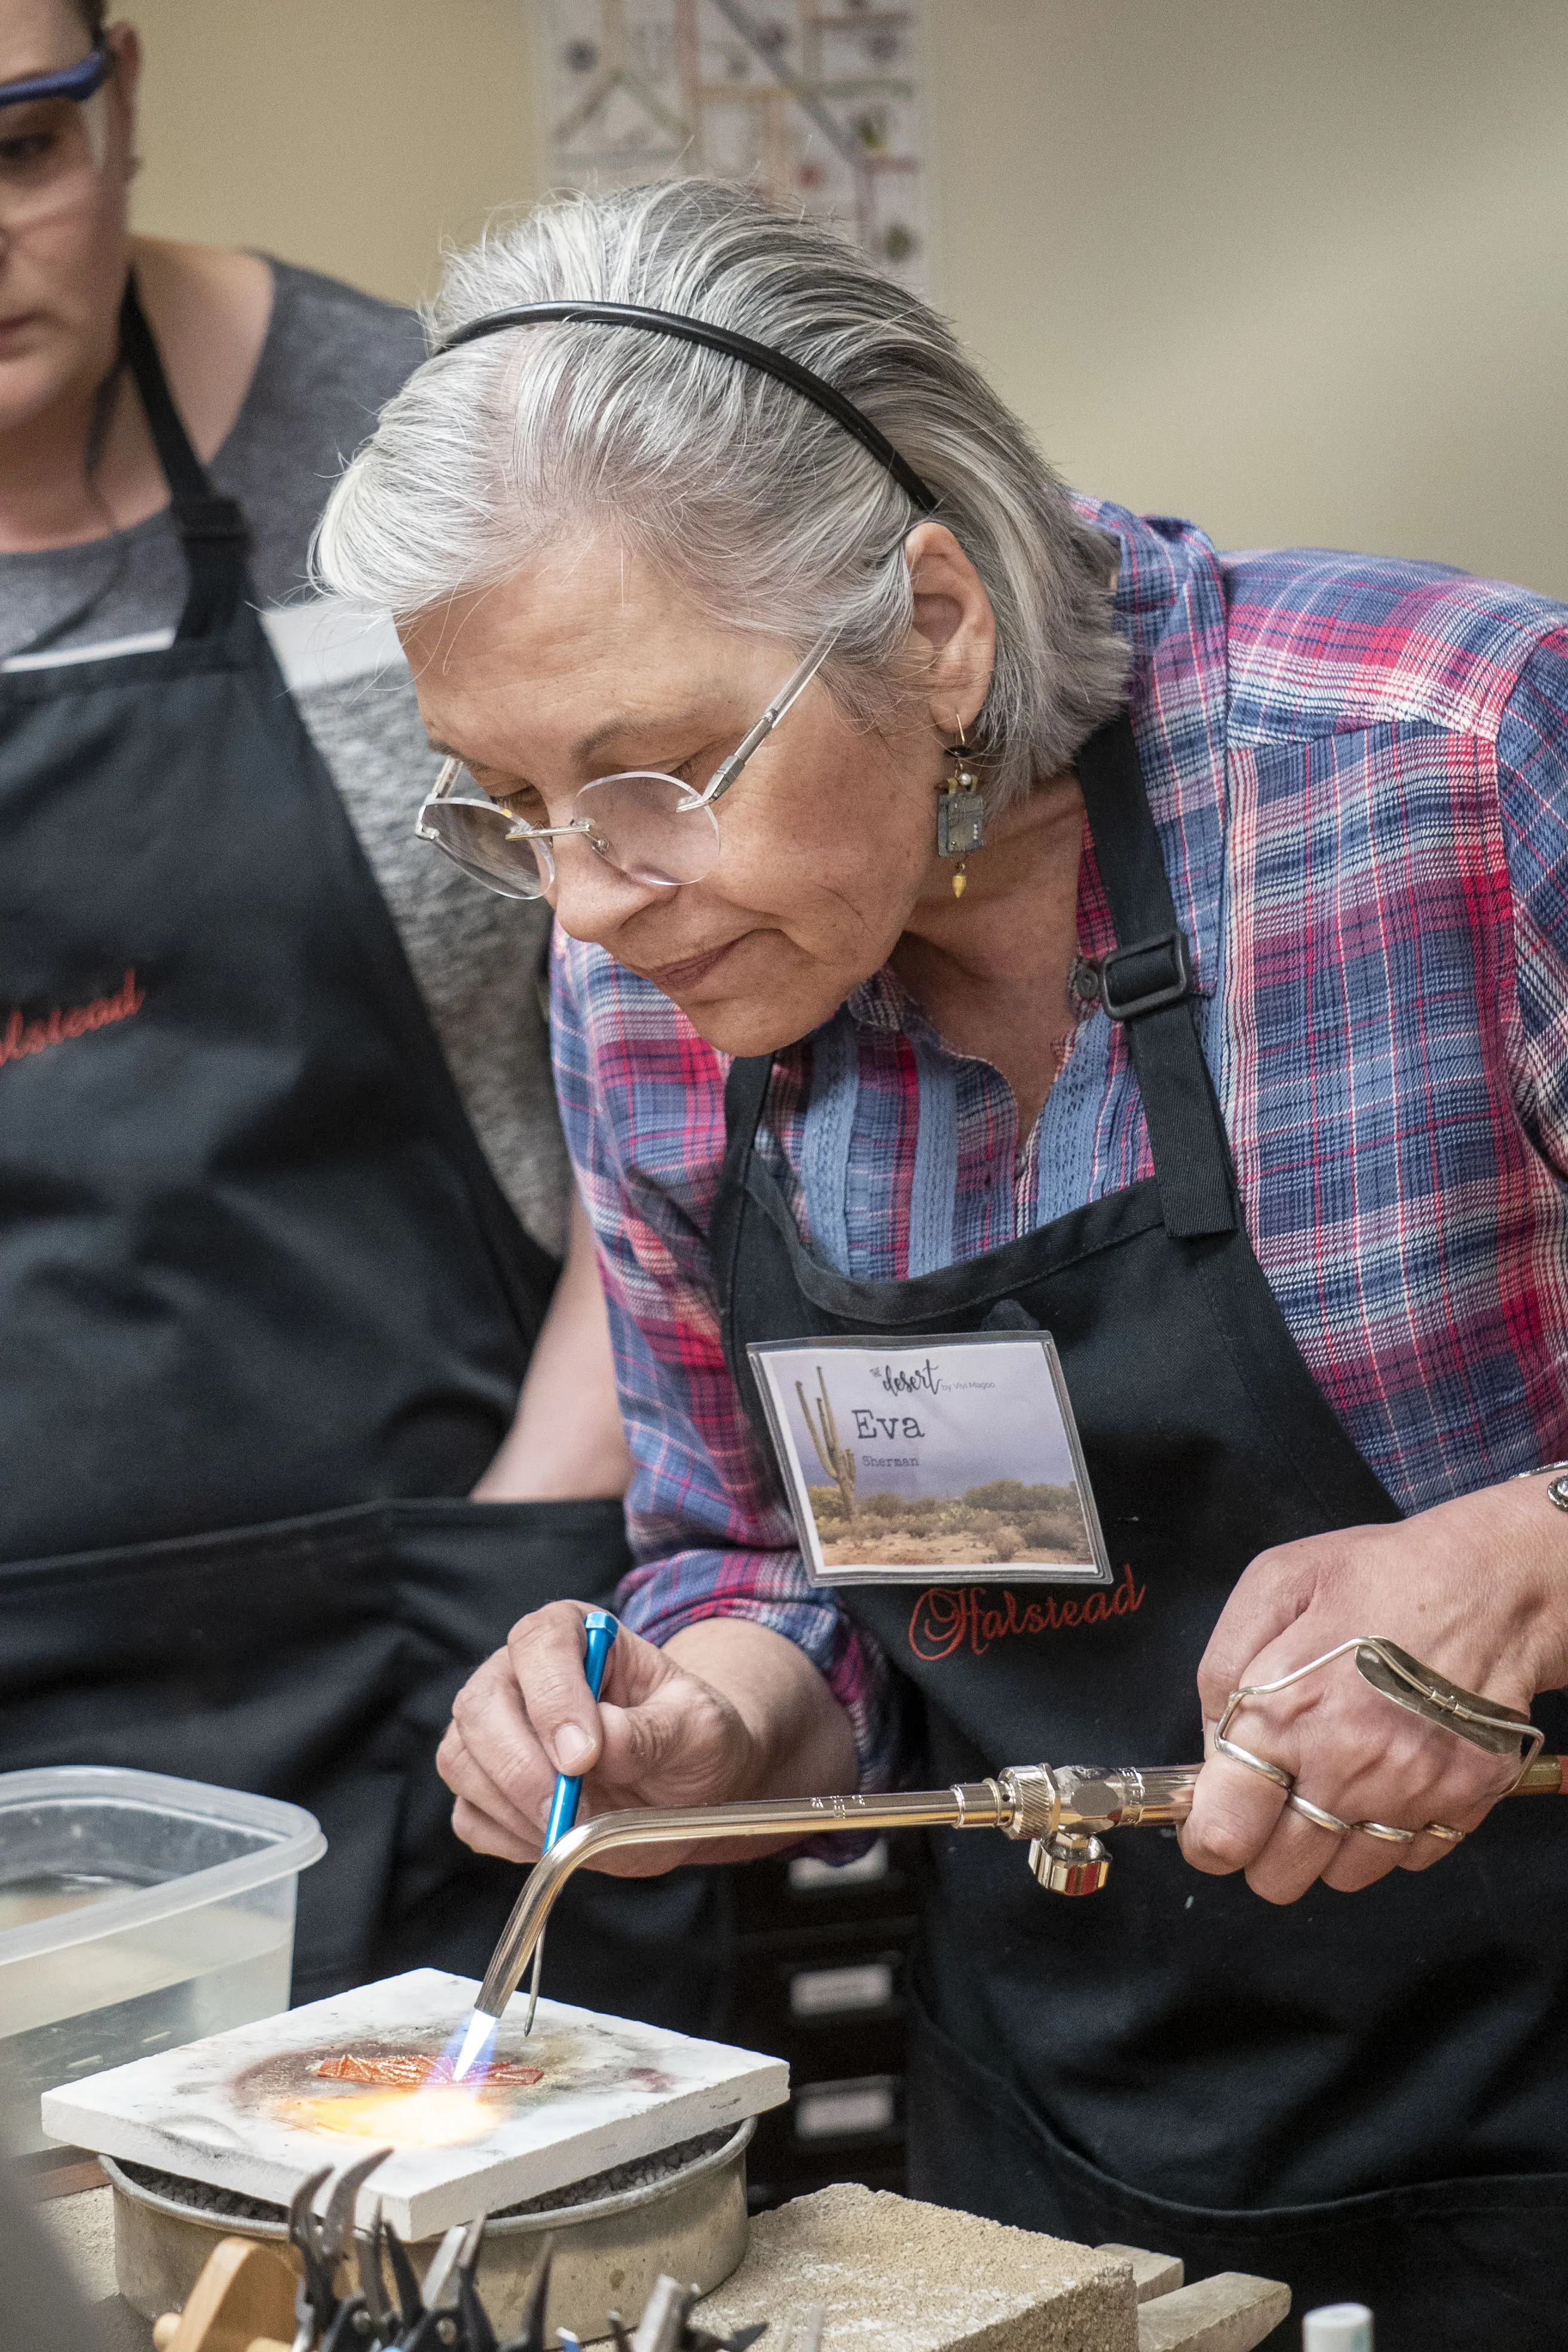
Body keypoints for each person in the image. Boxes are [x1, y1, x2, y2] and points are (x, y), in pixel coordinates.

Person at [316, 178, 1568, 2342]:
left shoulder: (1447, 762)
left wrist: (1526, 1556)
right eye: (501, 807)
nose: (587, 899)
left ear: (941, 623)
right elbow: (749, 1546)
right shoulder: (652, 976)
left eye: (647, 773)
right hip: (1059, 2161)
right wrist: (712, 1712)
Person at [0, 0, 728, 2023]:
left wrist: (520, 1542)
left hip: (442, 1654)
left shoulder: (417, 465)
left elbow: (678, 1026)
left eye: (17, 152)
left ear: (121, 93)